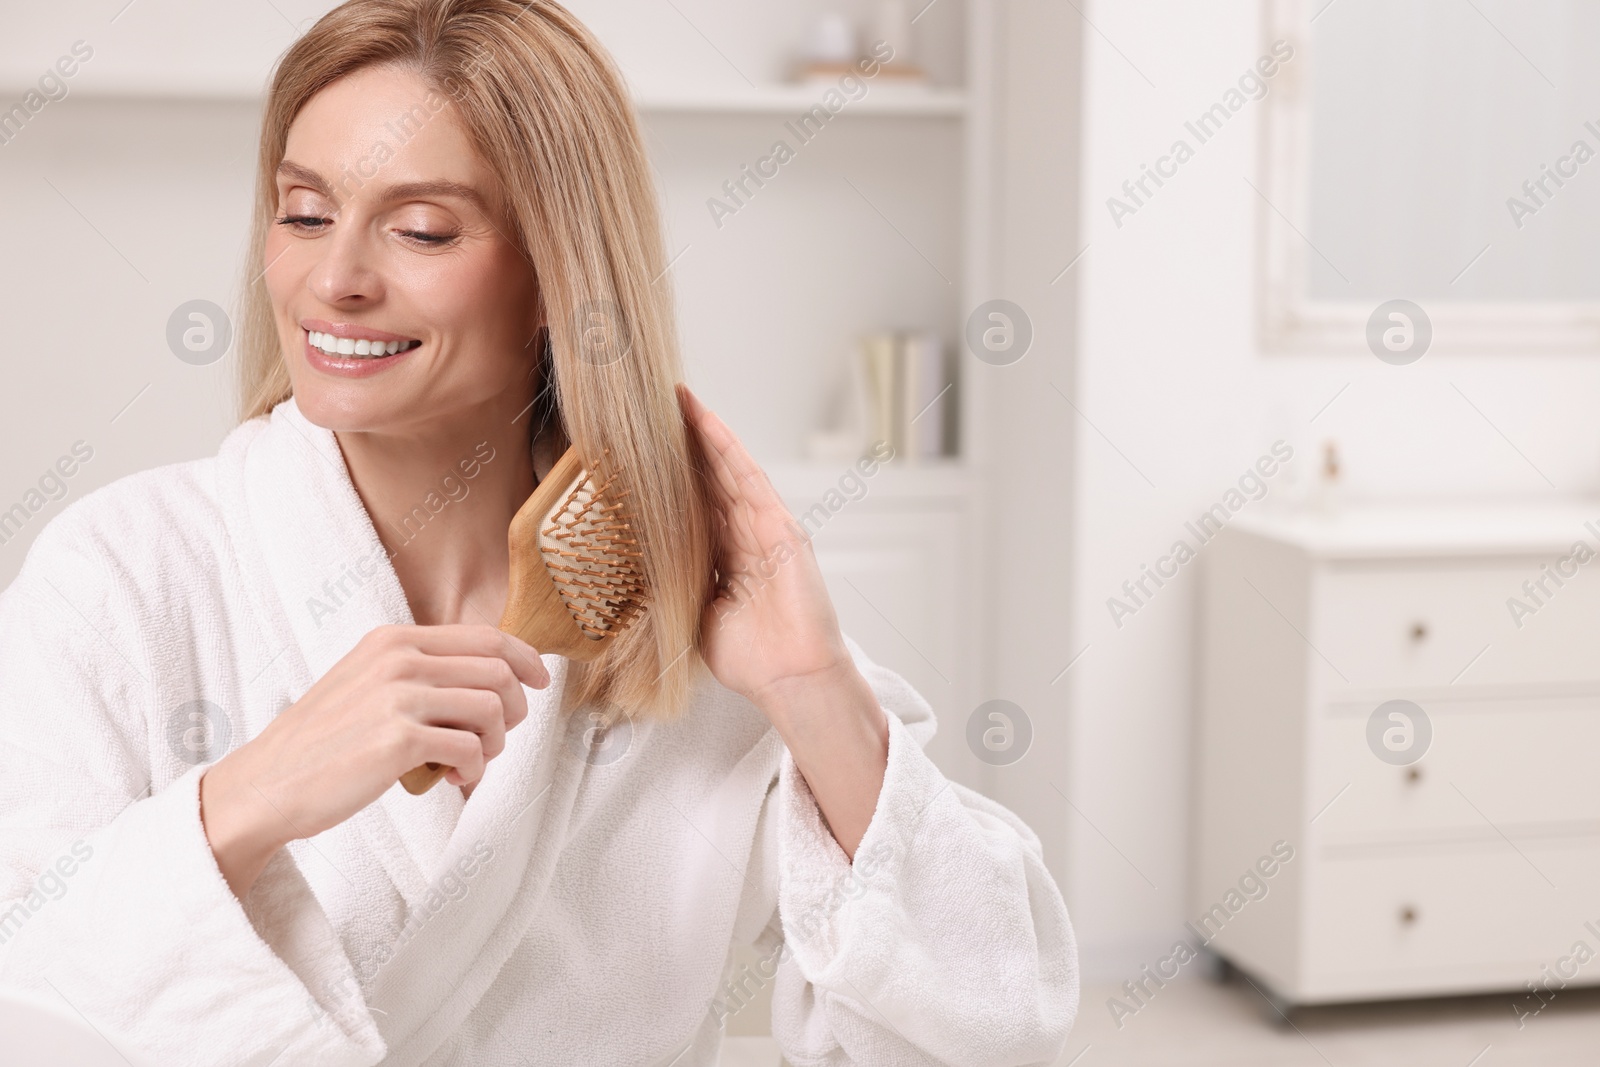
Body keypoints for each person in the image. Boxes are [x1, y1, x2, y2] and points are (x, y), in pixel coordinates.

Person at [0, 1, 1078, 1062]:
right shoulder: (123, 574)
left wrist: (814, 687)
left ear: (562, 275)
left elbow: (994, 1022)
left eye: (421, 229)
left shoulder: (679, 622)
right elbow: (24, 982)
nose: (336, 280)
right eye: (303, 212)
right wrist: (247, 795)